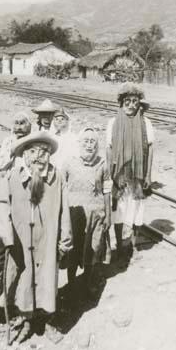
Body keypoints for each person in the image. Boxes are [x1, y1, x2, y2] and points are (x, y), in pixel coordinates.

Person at [0, 131, 72, 341]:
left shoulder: (57, 178)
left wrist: (65, 239)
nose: (39, 157)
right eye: (33, 152)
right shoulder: (13, 176)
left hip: (48, 242)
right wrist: (7, 235)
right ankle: (27, 318)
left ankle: (48, 320)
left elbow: (65, 209)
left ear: (49, 155)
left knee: (48, 281)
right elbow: (2, 205)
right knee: (24, 281)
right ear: (25, 155)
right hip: (21, 242)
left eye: (44, 152)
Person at [106, 83, 154, 262]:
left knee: (137, 210)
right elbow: (109, 150)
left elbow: (150, 150)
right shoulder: (113, 122)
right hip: (119, 174)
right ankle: (119, 245)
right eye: (127, 101)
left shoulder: (146, 123)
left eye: (135, 101)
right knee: (119, 210)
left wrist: (148, 174)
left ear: (139, 104)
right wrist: (110, 174)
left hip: (138, 174)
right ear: (121, 103)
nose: (131, 105)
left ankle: (132, 245)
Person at [63, 127, 112, 300]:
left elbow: (107, 191)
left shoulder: (103, 164)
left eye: (93, 141)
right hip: (74, 214)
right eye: (86, 141)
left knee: (94, 247)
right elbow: (61, 189)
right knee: (74, 249)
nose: (89, 145)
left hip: (96, 215)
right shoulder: (69, 162)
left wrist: (108, 215)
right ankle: (71, 283)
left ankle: (89, 281)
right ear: (79, 143)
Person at [0, 111, 32, 285]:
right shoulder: (8, 141)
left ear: (29, 125)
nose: (19, 127)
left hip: (27, 187)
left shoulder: (33, 140)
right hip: (9, 185)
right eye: (16, 123)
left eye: (23, 123)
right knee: (4, 224)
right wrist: (13, 149)